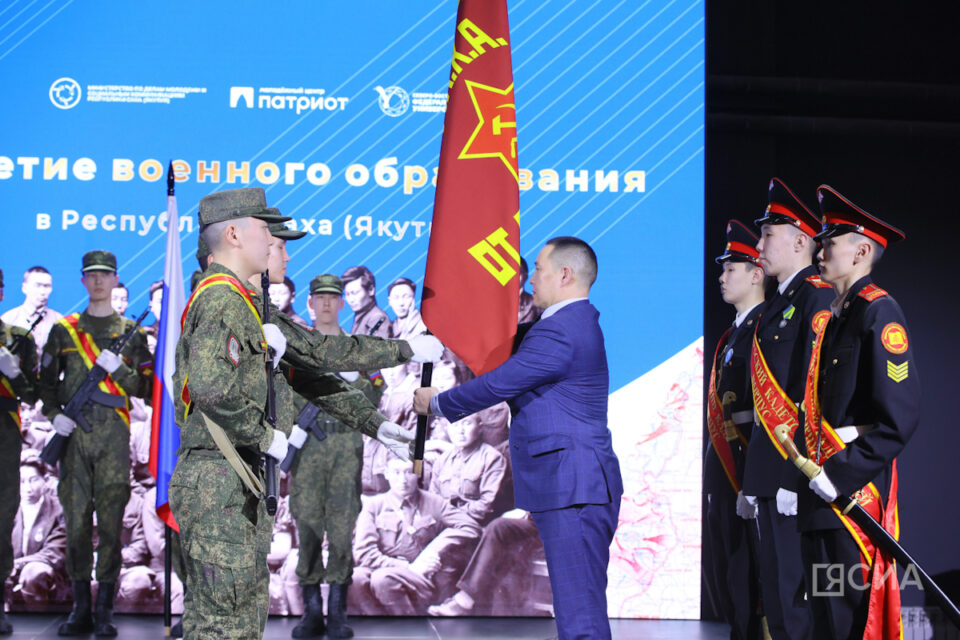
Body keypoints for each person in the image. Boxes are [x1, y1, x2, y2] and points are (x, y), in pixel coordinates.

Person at [414, 236, 623, 640]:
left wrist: (436, 404)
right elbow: (503, 338)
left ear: (565, 274)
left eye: (539, 270)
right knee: (579, 608)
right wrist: (445, 324)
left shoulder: (562, 331)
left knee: (580, 614)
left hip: (573, 488)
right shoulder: (563, 325)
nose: (531, 281)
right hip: (570, 487)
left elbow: (499, 383)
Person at [798, 186, 919, 639]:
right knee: (824, 624)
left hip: (853, 496)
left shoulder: (878, 313)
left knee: (852, 622)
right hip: (820, 492)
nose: (820, 251)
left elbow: (899, 420)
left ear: (861, 252)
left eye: (830, 243)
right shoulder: (837, 318)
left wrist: (839, 474)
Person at [38, 251, 153, 637]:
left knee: (110, 525)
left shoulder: (131, 332)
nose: (99, 281)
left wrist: (119, 371)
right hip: (73, 440)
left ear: (115, 279)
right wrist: (54, 414)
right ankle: (80, 608)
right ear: (83, 281)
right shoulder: (65, 330)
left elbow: (147, 388)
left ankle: (104, 610)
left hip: (114, 441)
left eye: (105, 275)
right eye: (92, 275)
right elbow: (45, 383)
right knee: (75, 524)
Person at [744, 177, 833, 640]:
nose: (759, 246)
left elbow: (811, 395)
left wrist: (791, 476)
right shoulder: (776, 304)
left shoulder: (816, 297)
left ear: (800, 242)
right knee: (776, 601)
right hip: (768, 472)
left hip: (793, 473)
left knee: (798, 604)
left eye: (767, 235)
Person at [286, 274, 384, 639]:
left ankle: (337, 613)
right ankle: (312, 611)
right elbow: (282, 393)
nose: (326, 304)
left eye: (333, 298)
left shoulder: (358, 350)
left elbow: (375, 396)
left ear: (342, 304)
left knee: (342, 531)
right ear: (310, 304)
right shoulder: (296, 350)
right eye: (320, 298)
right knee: (308, 528)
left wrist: (354, 380)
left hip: (345, 446)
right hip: (307, 448)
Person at [704, 220, 765, 639]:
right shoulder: (732, 335)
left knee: (750, 574)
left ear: (756, 274)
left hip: (748, 465)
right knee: (728, 572)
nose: (722, 277)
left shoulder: (764, 328)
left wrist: (754, 479)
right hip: (725, 468)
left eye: (731, 269)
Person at [350, 457, 481, 615]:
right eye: (396, 472)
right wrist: (407, 567)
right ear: (386, 474)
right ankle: (379, 624)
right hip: (391, 567)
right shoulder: (373, 505)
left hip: (420, 578)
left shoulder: (435, 502)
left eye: (409, 472)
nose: (403, 480)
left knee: (383, 579)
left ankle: (409, 627)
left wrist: (434, 549)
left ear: (418, 473)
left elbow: (471, 527)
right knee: (355, 578)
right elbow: (363, 553)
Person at [0, 281, 39, 635]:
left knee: (1, 518)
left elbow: (32, 394)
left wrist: (14, 373)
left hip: (4, 437)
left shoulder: (19, 338)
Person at [9, 455, 67, 607]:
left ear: (45, 480)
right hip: (11, 574)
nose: (27, 488)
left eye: (33, 480)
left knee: (33, 572)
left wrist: (17, 564)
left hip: (48, 576)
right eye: (21, 481)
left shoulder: (60, 511)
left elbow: (54, 553)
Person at [0, 266, 63, 356]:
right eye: (37, 285)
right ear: (24, 288)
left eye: (47, 286)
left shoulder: (59, 321)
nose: (42, 292)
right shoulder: (8, 319)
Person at [341, 266, 391, 338]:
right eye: (347, 294)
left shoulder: (378, 318)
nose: (350, 300)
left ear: (371, 290)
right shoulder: (360, 316)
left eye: (355, 293)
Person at [517, 257, 541, 324]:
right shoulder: (496, 303)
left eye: (518, 273)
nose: (514, 277)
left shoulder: (537, 304)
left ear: (526, 275)